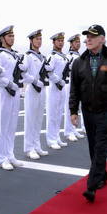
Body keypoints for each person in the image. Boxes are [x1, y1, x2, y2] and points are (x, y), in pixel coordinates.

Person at [69, 24, 107, 202]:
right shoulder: (78, 63)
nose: (88, 39)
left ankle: (91, 186)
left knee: (100, 147)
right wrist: (73, 110)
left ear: (102, 39)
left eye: (93, 36)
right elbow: (74, 90)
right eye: (87, 36)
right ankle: (102, 174)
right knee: (93, 148)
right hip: (88, 112)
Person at [19, 29, 60, 160]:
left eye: (40, 39)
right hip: (32, 89)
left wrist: (53, 74)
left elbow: (48, 73)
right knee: (30, 120)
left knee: (38, 120)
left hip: (42, 89)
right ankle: (29, 147)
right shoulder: (28, 56)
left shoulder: (42, 57)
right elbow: (23, 74)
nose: (39, 41)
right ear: (31, 41)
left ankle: (36, 145)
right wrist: (35, 81)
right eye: (37, 39)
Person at [0, 25, 24, 170]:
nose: (12, 38)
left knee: (12, 126)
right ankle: (1, 158)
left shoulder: (15, 55)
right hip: (4, 92)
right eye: (9, 36)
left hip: (15, 92)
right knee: (2, 126)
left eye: (13, 36)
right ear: (2, 38)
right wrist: (10, 84)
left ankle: (10, 154)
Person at [45, 32, 68, 150]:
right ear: (54, 42)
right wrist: (58, 81)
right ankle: (51, 139)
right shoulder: (52, 56)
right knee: (52, 114)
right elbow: (49, 72)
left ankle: (56, 136)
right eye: (58, 40)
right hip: (54, 86)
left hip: (62, 87)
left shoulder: (63, 56)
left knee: (59, 113)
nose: (61, 42)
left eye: (62, 40)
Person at [64, 34, 85, 142]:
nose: (78, 44)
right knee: (70, 109)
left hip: (78, 84)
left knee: (75, 108)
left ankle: (73, 129)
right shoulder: (70, 56)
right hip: (70, 84)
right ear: (71, 44)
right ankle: (68, 131)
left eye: (79, 42)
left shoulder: (78, 55)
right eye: (76, 42)